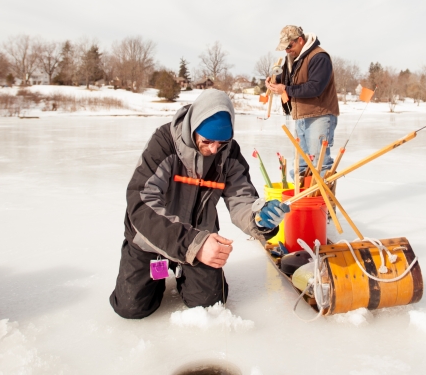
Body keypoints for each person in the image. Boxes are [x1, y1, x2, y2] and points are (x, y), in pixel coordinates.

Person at [109, 89, 289, 319]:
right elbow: (142, 204)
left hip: (199, 239)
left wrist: (259, 217)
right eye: (207, 141)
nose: (214, 149)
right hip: (153, 240)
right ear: (193, 129)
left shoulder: (228, 153)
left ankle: (186, 271)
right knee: (132, 308)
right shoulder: (163, 144)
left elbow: (241, 198)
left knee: (209, 303)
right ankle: (159, 268)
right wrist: (194, 244)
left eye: (222, 142)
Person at [266, 25, 339, 175]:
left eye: (289, 46)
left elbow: (314, 87)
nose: (287, 50)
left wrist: (285, 89)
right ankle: (303, 198)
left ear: (300, 40)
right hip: (301, 116)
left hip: (319, 115)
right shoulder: (293, 58)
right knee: (301, 167)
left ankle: (322, 199)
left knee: (320, 166)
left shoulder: (319, 57)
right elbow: (288, 78)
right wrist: (274, 81)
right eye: (285, 48)